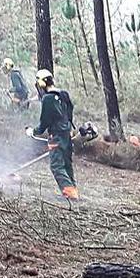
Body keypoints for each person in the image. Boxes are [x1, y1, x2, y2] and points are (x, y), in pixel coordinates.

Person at [28, 68, 79, 200]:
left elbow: (44, 121)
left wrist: (33, 132)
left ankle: (70, 193)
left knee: (56, 165)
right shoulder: (63, 94)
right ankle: (72, 190)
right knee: (66, 163)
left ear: (41, 84)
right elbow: (70, 112)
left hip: (56, 136)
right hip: (66, 134)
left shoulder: (48, 98)